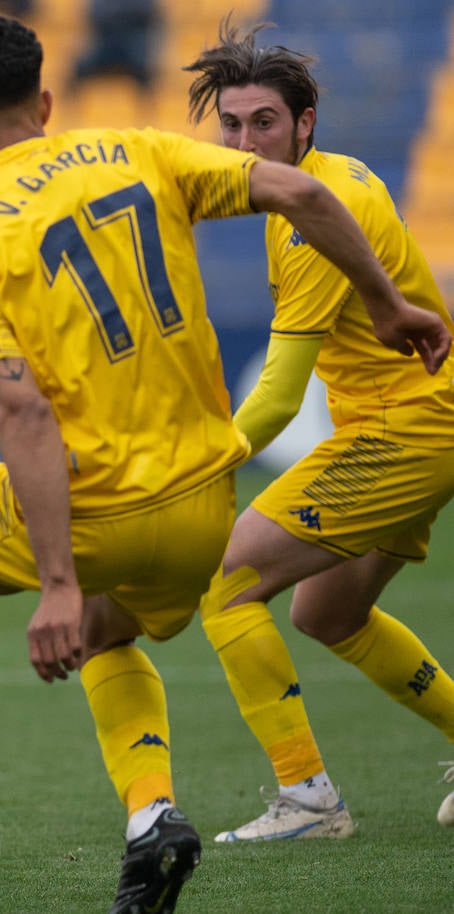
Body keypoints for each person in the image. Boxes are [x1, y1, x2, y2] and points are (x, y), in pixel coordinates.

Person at [0, 15, 450, 914]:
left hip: (98, 506)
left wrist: (56, 581)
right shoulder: (137, 149)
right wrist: (390, 306)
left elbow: (22, 410)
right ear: (47, 101)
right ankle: (153, 821)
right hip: (202, 509)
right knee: (112, 632)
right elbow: (303, 197)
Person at [183, 19, 454, 841]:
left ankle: (306, 799)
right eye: (230, 125)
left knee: (226, 580)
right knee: (327, 616)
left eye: (263, 121)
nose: (244, 140)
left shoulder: (311, 214)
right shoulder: (312, 186)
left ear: (304, 123)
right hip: (415, 423)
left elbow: (277, 395)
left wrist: (195, 464)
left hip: (409, 429)